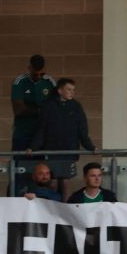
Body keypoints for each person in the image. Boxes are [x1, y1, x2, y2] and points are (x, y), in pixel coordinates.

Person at [29, 77, 95, 200]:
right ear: (60, 91)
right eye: (69, 89)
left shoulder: (76, 106)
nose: (72, 92)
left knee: (65, 182)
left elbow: (82, 130)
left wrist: (90, 146)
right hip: (52, 150)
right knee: (52, 182)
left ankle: (64, 211)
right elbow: (41, 129)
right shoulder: (48, 106)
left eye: (73, 90)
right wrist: (33, 147)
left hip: (69, 151)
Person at [10, 55, 56, 192]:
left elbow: (53, 110)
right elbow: (18, 110)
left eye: (42, 73)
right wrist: (42, 110)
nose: (39, 77)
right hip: (22, 134)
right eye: (36, 74)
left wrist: (33, 109)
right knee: (20, 172)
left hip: (42, 136)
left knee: (42, 173)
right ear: (29, 68)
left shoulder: (50, 82)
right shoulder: (20, 81)